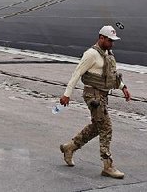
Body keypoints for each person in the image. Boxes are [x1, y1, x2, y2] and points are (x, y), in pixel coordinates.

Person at [58, 25, 131, 179]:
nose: (112, 43)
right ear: (101, 38)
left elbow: (111, 76)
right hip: (93, 96)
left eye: (113, 41)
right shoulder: (91, 54)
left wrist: (123, 88)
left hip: (103, 95)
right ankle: (107, 165)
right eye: (109, 40)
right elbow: (77, 73)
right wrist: (67, 95)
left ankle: (69, 147)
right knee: (106, 127)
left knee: (97, 127)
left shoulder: (107, 54)